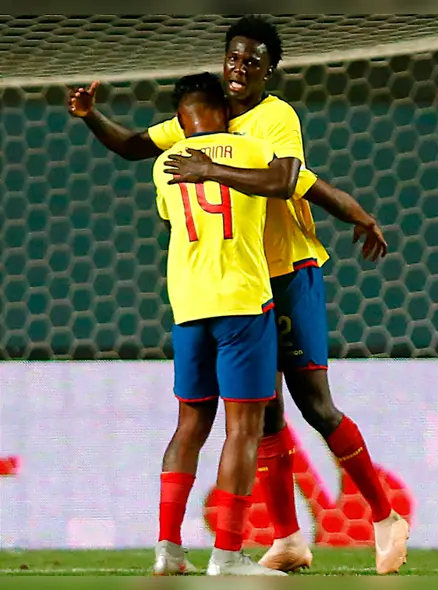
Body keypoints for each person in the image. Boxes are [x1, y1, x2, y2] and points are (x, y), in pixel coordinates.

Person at [67, 15, 408, 575]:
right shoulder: (204, 117)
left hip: (287, 269)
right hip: (241, 283)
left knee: (315, 406)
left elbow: (290, 180)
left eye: (252, 61)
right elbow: (132, 145)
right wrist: (90, 117)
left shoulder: (276, 118)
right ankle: (289, 538)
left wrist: (358, 214)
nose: (239, 68)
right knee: (262, 414)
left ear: (269, 70)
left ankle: (383, 515)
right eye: (233, 57)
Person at [151, 72, 285, 577]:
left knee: (189, 426)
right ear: (223, 109)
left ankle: (168, 549)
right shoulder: (251, 149)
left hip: (188, 307)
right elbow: (282, 184)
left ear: (180, 118)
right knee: (243, 429)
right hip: (243, 303)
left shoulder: (165, 164)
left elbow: (171, 221)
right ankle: (227, 554)